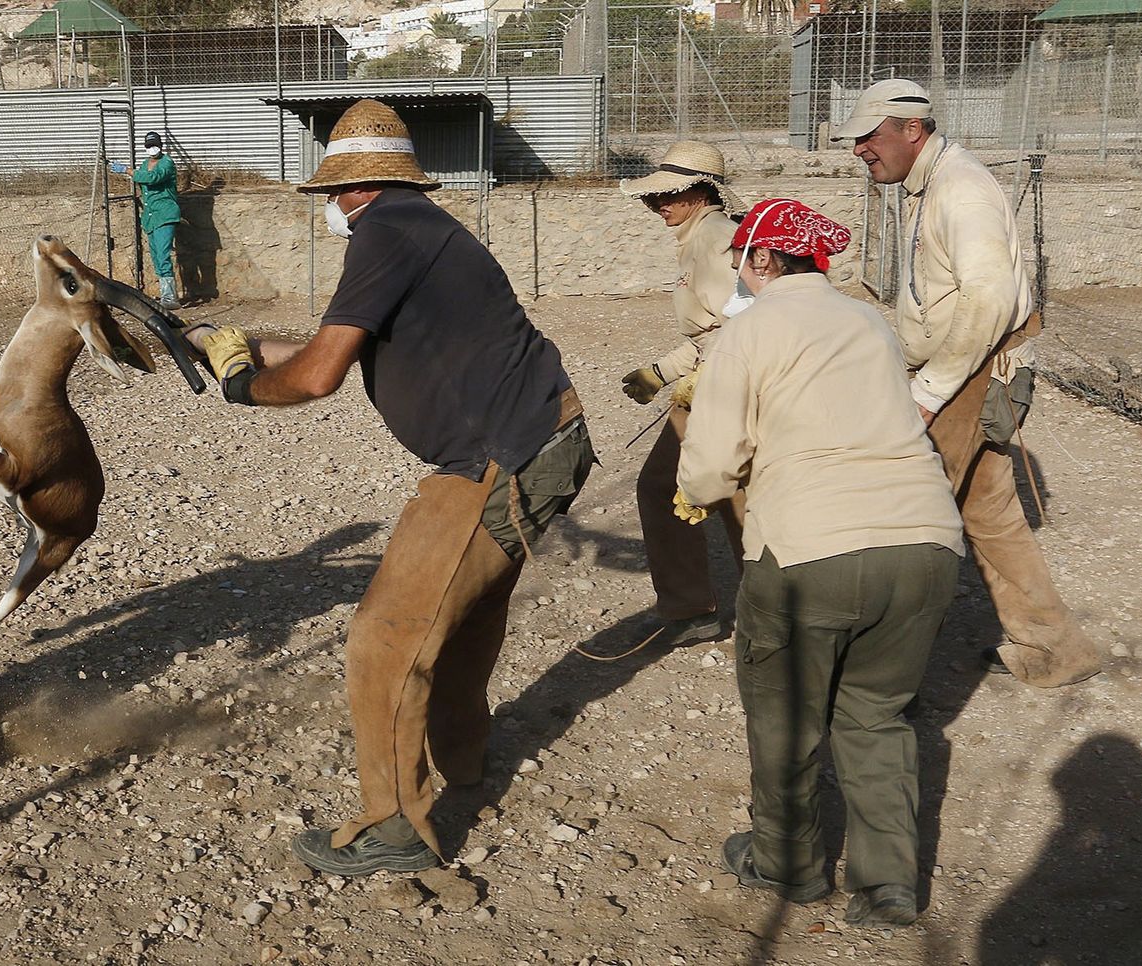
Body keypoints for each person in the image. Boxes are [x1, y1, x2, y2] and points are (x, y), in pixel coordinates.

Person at [186, 99, 596, 876]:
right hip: (546, 435)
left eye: (333, 193)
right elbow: (329, 347)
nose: (333, 208)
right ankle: (464, 758)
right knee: (465, 612)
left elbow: (314, 377)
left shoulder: (383, 233)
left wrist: (240, 384)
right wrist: (222, 343)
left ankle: (397, 830)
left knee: (385, 637)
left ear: (352, 187)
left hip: (495, 457)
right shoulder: (421, 227)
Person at [676, 198, 965, 927]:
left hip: (811, 550)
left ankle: (788, 861)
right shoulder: (869, 322)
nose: (739, 270)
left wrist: (692, 493)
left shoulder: (753, 329)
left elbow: (711, 465)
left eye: (743, 257)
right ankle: (888, 883)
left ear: (765, 260)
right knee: (876, 714)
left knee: (785, 716)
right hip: (925, 541)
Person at [834, 80, 1101, 688]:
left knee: (903, 516)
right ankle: (1056, 648)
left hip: (967, 376)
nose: (858, 150)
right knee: (991, 513)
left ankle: (875, 677)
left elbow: (988, 298)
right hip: (963, 371)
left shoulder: (960, 188)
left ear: (911, 129)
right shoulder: (930, 183)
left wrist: (928, 393)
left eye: (867, 137)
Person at [617, 141, 749, 647]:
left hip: (725, 389)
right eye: (656, 197)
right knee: (726, 496)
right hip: (714, 381)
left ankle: (714, 608)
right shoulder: (705, 236)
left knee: (726, 498)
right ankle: (710, 607)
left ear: (699, 193)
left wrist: (692, 376)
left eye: (670, 195)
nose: (658, 205)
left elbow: (739, 326)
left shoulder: (714, 241)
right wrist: (661, 370)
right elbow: (713, 328)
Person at [133, 130, 180, 309]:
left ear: (161, 146)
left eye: (155, 145)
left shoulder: (167, 163)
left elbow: (153, 178)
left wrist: (129, 171)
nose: (152, 149)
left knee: (162, 254)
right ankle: (165, 295)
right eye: (149, 146)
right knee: (156, 256)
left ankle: (170, 297)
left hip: (165, 214)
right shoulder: (145, 164)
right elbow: (144, 180)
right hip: (151, 217)